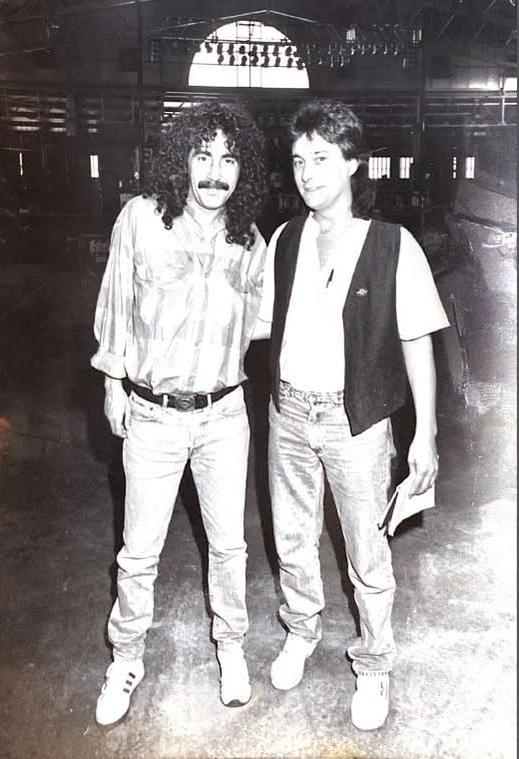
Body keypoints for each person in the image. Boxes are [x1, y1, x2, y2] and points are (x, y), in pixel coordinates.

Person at [257, 99, 449, 731]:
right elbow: (258, 322)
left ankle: (373, 665)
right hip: (288, 414)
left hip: (356, 422)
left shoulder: (393, 245)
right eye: (298, 160)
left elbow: (418, 341)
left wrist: (425, 434)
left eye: (321, 158)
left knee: (367, 554)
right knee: (292, 539)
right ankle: (301, 630)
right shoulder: (285, 239)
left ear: (351, 163)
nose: (307, 173)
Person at [91, 102, 268, 725]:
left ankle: (231, 647)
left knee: (230, 546)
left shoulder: (250, 241)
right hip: (154, 415)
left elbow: (262, 323)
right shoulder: (141, 219)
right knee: (139, 552)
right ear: (182, 161)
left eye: (229, 159)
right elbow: (115, 303)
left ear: (244, 170)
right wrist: (113, 385)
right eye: (203, 155)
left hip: (224, 417)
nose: (216, 172)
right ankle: (126, 658)